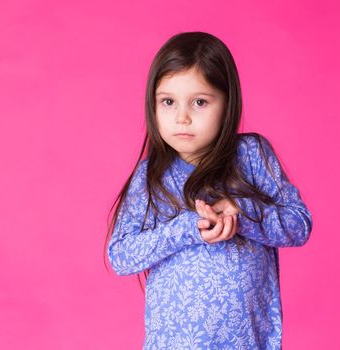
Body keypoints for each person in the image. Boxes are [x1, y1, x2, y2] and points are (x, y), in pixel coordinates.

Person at [105, 31, 313, 349]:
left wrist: (242, 213)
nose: (182, 117)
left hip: (246, 341)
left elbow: (299, 226)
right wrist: (188, 228)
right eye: (168, 102)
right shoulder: (151, 177)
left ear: (228, 103)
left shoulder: (252, 155)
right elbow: (120, 255)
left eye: (199, 102)